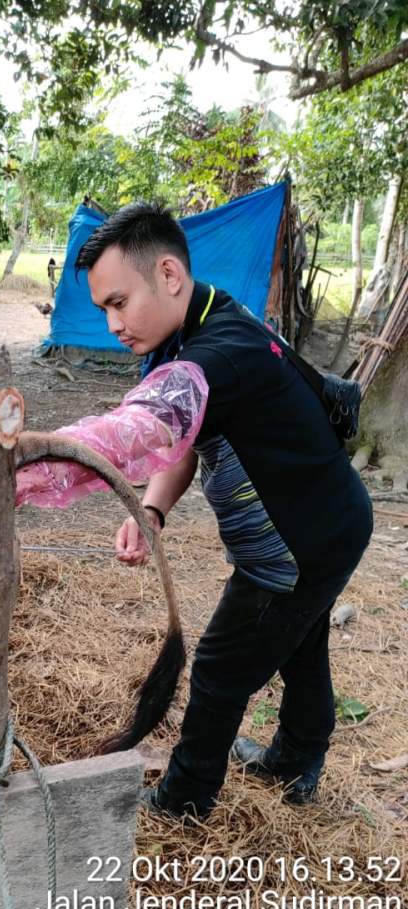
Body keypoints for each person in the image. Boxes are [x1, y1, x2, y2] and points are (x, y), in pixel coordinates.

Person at [74, 202, 372, 820]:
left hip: (299, 544)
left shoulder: (218, 353)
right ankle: (296, 762)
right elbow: (184, 444)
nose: (112, 325)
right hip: (333, 518)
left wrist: (34, 462)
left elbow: (146, 429)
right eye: (105, 308)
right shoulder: (194, 330)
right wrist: (152, 510)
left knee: (217, 668)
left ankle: (183, 800)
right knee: (301, 644)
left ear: (168, 275)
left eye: (118, 303)